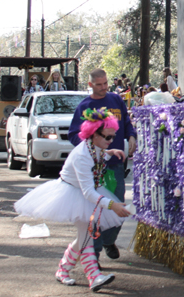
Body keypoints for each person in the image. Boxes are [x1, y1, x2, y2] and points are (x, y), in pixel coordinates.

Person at [15, 108, 131, 290]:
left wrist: (110, 152)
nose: (110, 141)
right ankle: (94, 277)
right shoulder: (82, 156)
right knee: (86, 238)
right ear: (93, 134)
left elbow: (98, 159)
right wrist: (112, 205)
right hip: (74, 195)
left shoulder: (95, 147)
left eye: (112, 137)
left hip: (84, 194)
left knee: (83, 238)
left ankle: (63, 270)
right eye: (107, 137)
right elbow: (88, 192)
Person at [69, 69, 136, 262]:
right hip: (96, 168)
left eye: (105, 83)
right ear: (90, 85)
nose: (104, 87)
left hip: (116, 165)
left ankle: (109, 240)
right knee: (96, 211)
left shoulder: (116, 100)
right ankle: (94, 255)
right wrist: (92, 146)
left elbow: (127, 122)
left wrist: (131, 135)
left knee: (120, 207)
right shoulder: (85, 106)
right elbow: (74, 135)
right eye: (99, 84)